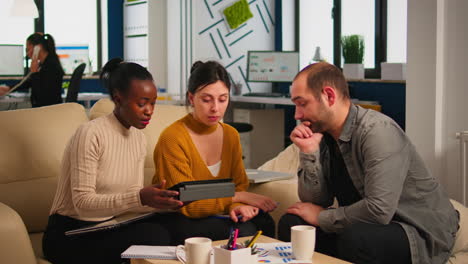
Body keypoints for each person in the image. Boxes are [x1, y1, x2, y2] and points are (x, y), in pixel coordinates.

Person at [277, 62, 459, 264]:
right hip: (362, 225)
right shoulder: (324, 134)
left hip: (413, 228)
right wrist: (309, 152)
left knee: (357, 239)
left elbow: (379, 209)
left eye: (302, 104)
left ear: (329, 96)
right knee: (293, 225)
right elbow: (316, 200)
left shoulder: (377, 130)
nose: (297, 115)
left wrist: (322, 218)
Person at [42, 58, 183, 264]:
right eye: (142, 104)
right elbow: (82, 203)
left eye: (153, 103)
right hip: (69, 233)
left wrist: (162, 203)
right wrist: (140, 198)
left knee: (177, 225)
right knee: (154, 236)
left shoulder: (137, 137)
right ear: (118, 100)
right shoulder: (90, 133)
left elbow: (131, 199)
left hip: (108, 225)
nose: (149, 111)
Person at [152, 60, 277, 244]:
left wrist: (236, 206)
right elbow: (187, 203)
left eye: (222, 99)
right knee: (245, 230)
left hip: (218, 214)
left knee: (264, 221)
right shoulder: (172, 138)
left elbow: (239, 184)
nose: (215, 108)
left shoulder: (230, 135)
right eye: (206, 99)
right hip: (179, 218)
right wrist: (237, 197)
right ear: (191, 98)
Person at [0, 32, 64, 107]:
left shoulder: (51, 66)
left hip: (48, 111)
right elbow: (30, 82)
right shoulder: (44, 64)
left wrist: (34, 72)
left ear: (38, 47)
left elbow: (41, 94)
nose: (27, 53)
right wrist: (8, 88)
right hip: (44, 109)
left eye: (28, 49)